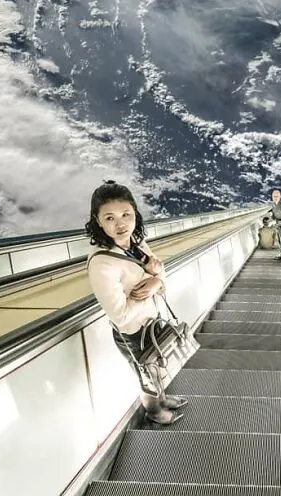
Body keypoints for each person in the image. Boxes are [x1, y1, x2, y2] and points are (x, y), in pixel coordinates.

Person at [86, 179, 187, 425]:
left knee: (157, 365)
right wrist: (153, 286)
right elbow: (120, 316)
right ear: (98, 221)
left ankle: (163, 399)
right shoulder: (101, 263)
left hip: (151, 320)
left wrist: (156, 281)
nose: (121, 224)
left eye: (126, 214)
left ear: (135, 213)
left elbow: (160, 273)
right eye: (109, 218)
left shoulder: (137, 244)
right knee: (146, 375)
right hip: (132, 332)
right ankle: (154, 412)